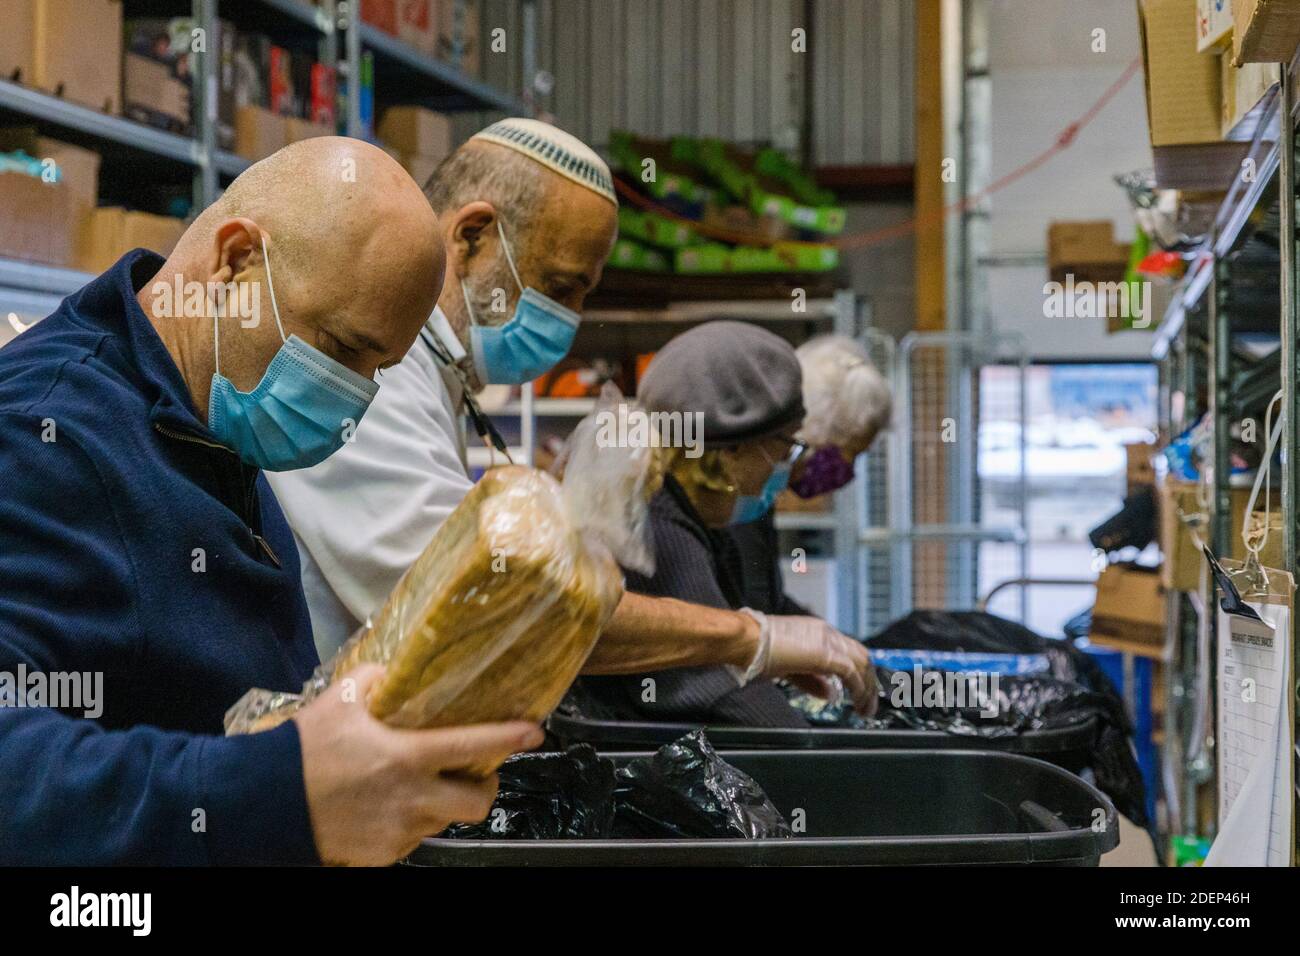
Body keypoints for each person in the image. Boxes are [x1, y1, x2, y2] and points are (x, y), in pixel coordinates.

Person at [0, 137, 542, 866]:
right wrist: (283, 788)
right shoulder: (46, 435)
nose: (354, 403)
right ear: (233, 262)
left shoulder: (215, 421)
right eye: (343, 347)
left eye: (379, 368)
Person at [268, 119, 874, 711]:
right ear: (473, 237)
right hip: (317, 754)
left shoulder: (439, 375)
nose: (573, 319)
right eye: (560, 288)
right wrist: (751, 638)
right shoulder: (376, 375)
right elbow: (493, 604)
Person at [578, 321, 876, 727]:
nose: (788, 467)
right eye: (786, 447)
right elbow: (725, 693)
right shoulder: (662, 532)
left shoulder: (690, 514)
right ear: (727, 457)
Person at [727, 333, 892, 617]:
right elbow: (746, 613)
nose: (847, 472)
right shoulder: (740, 498)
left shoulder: (761, 499)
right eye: (844, 453)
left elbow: (766, 601)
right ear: (811, 431)